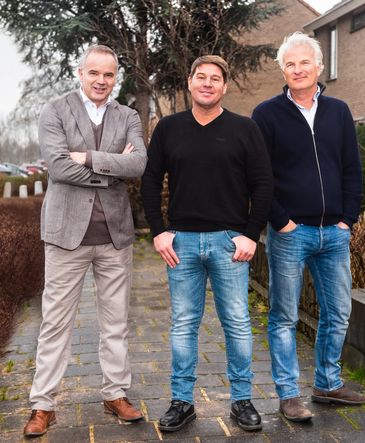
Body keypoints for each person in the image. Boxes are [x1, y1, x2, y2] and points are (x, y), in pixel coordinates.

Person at [140, 55, 273, 433]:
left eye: (216, 78)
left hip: (229, 242)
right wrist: (158, 231)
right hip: (180, 243)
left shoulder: (245, 129)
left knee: (238, 322)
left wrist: (250, 234)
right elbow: (150, 181)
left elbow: (263, 184)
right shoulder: (169, 128)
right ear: (190, 82)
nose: (208, 83)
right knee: (183, 324)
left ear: (224, 87)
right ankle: (182, 402)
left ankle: (242, 400)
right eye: (201, 77)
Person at [23, 44, 147, 438]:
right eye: (94, 72)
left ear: (116, 78)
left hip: (114, 236)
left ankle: (115, 394)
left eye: (108, 74)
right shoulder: (55, 110)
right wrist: (112, 168)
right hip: (66, 236)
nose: (101, 81)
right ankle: (43, 404)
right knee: (55, 323)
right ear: (80, 73)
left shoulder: (128, 115)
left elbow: (138, 163)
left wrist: (88, 158)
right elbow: (59, 168)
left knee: (116, 322)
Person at [251, 32, 365, 422]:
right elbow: (258, 176)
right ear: (282, 71)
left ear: (319, 67)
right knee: (284, 316)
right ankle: (289, 395)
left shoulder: (338, 111)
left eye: (305, 62)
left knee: (339, 312)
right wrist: (280, 221)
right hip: (291, 232)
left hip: (334, 233)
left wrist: (347, 219)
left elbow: (352, 168)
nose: (298, 69)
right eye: (290, 64)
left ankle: (328, 384)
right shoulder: (266, 114)